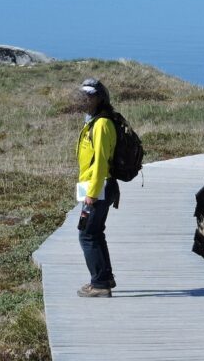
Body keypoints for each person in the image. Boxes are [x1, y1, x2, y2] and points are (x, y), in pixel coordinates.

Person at [74, 77, 120, 297]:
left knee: (87, 235)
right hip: (97, 185)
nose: (85, 99)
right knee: (95, 233)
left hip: (99, 187)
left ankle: (100, 285)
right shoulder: (93, 121)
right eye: (83, 95)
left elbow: (101, 162)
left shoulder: (101, 124)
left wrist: (92, 193)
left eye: (90, 96)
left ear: (100, 98)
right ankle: (105, 278)